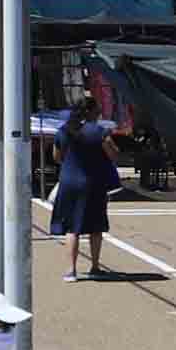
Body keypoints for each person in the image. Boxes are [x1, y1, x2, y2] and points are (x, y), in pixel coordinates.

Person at [53, 89, 121, 281]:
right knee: (95, 226)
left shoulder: (64, 131)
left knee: (71, 227)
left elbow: (57, 157)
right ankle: (95, 267)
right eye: (97, 110)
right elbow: (113, 154)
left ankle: (71, 270)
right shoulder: (99, 132)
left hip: (68, 182)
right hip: (93, 182)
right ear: (91, 112)